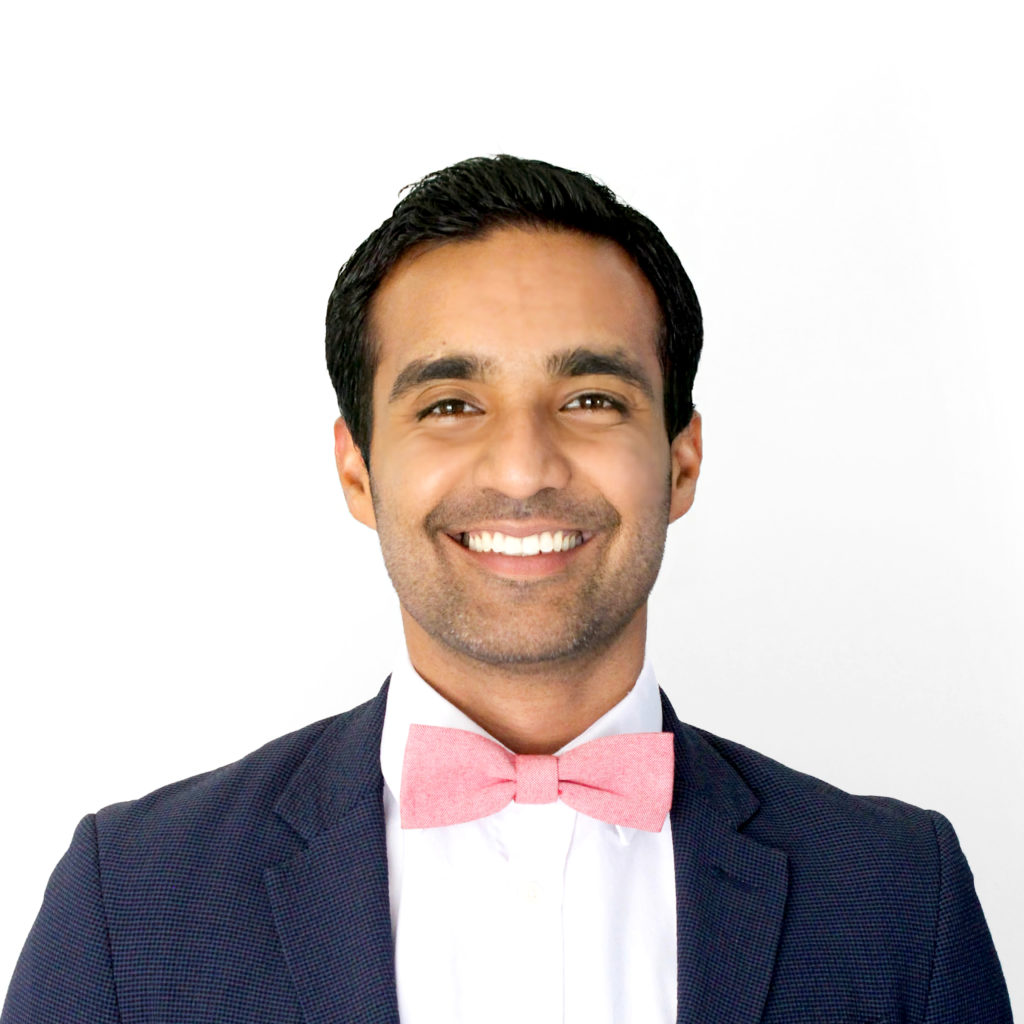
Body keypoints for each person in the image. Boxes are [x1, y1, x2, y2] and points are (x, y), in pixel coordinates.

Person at [2, 155, 1012, 1024]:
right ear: (357, 471)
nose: (524, 466)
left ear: (681, 461)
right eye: (450, 403)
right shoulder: (129, 900)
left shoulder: (894, 895)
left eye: (589, 398)